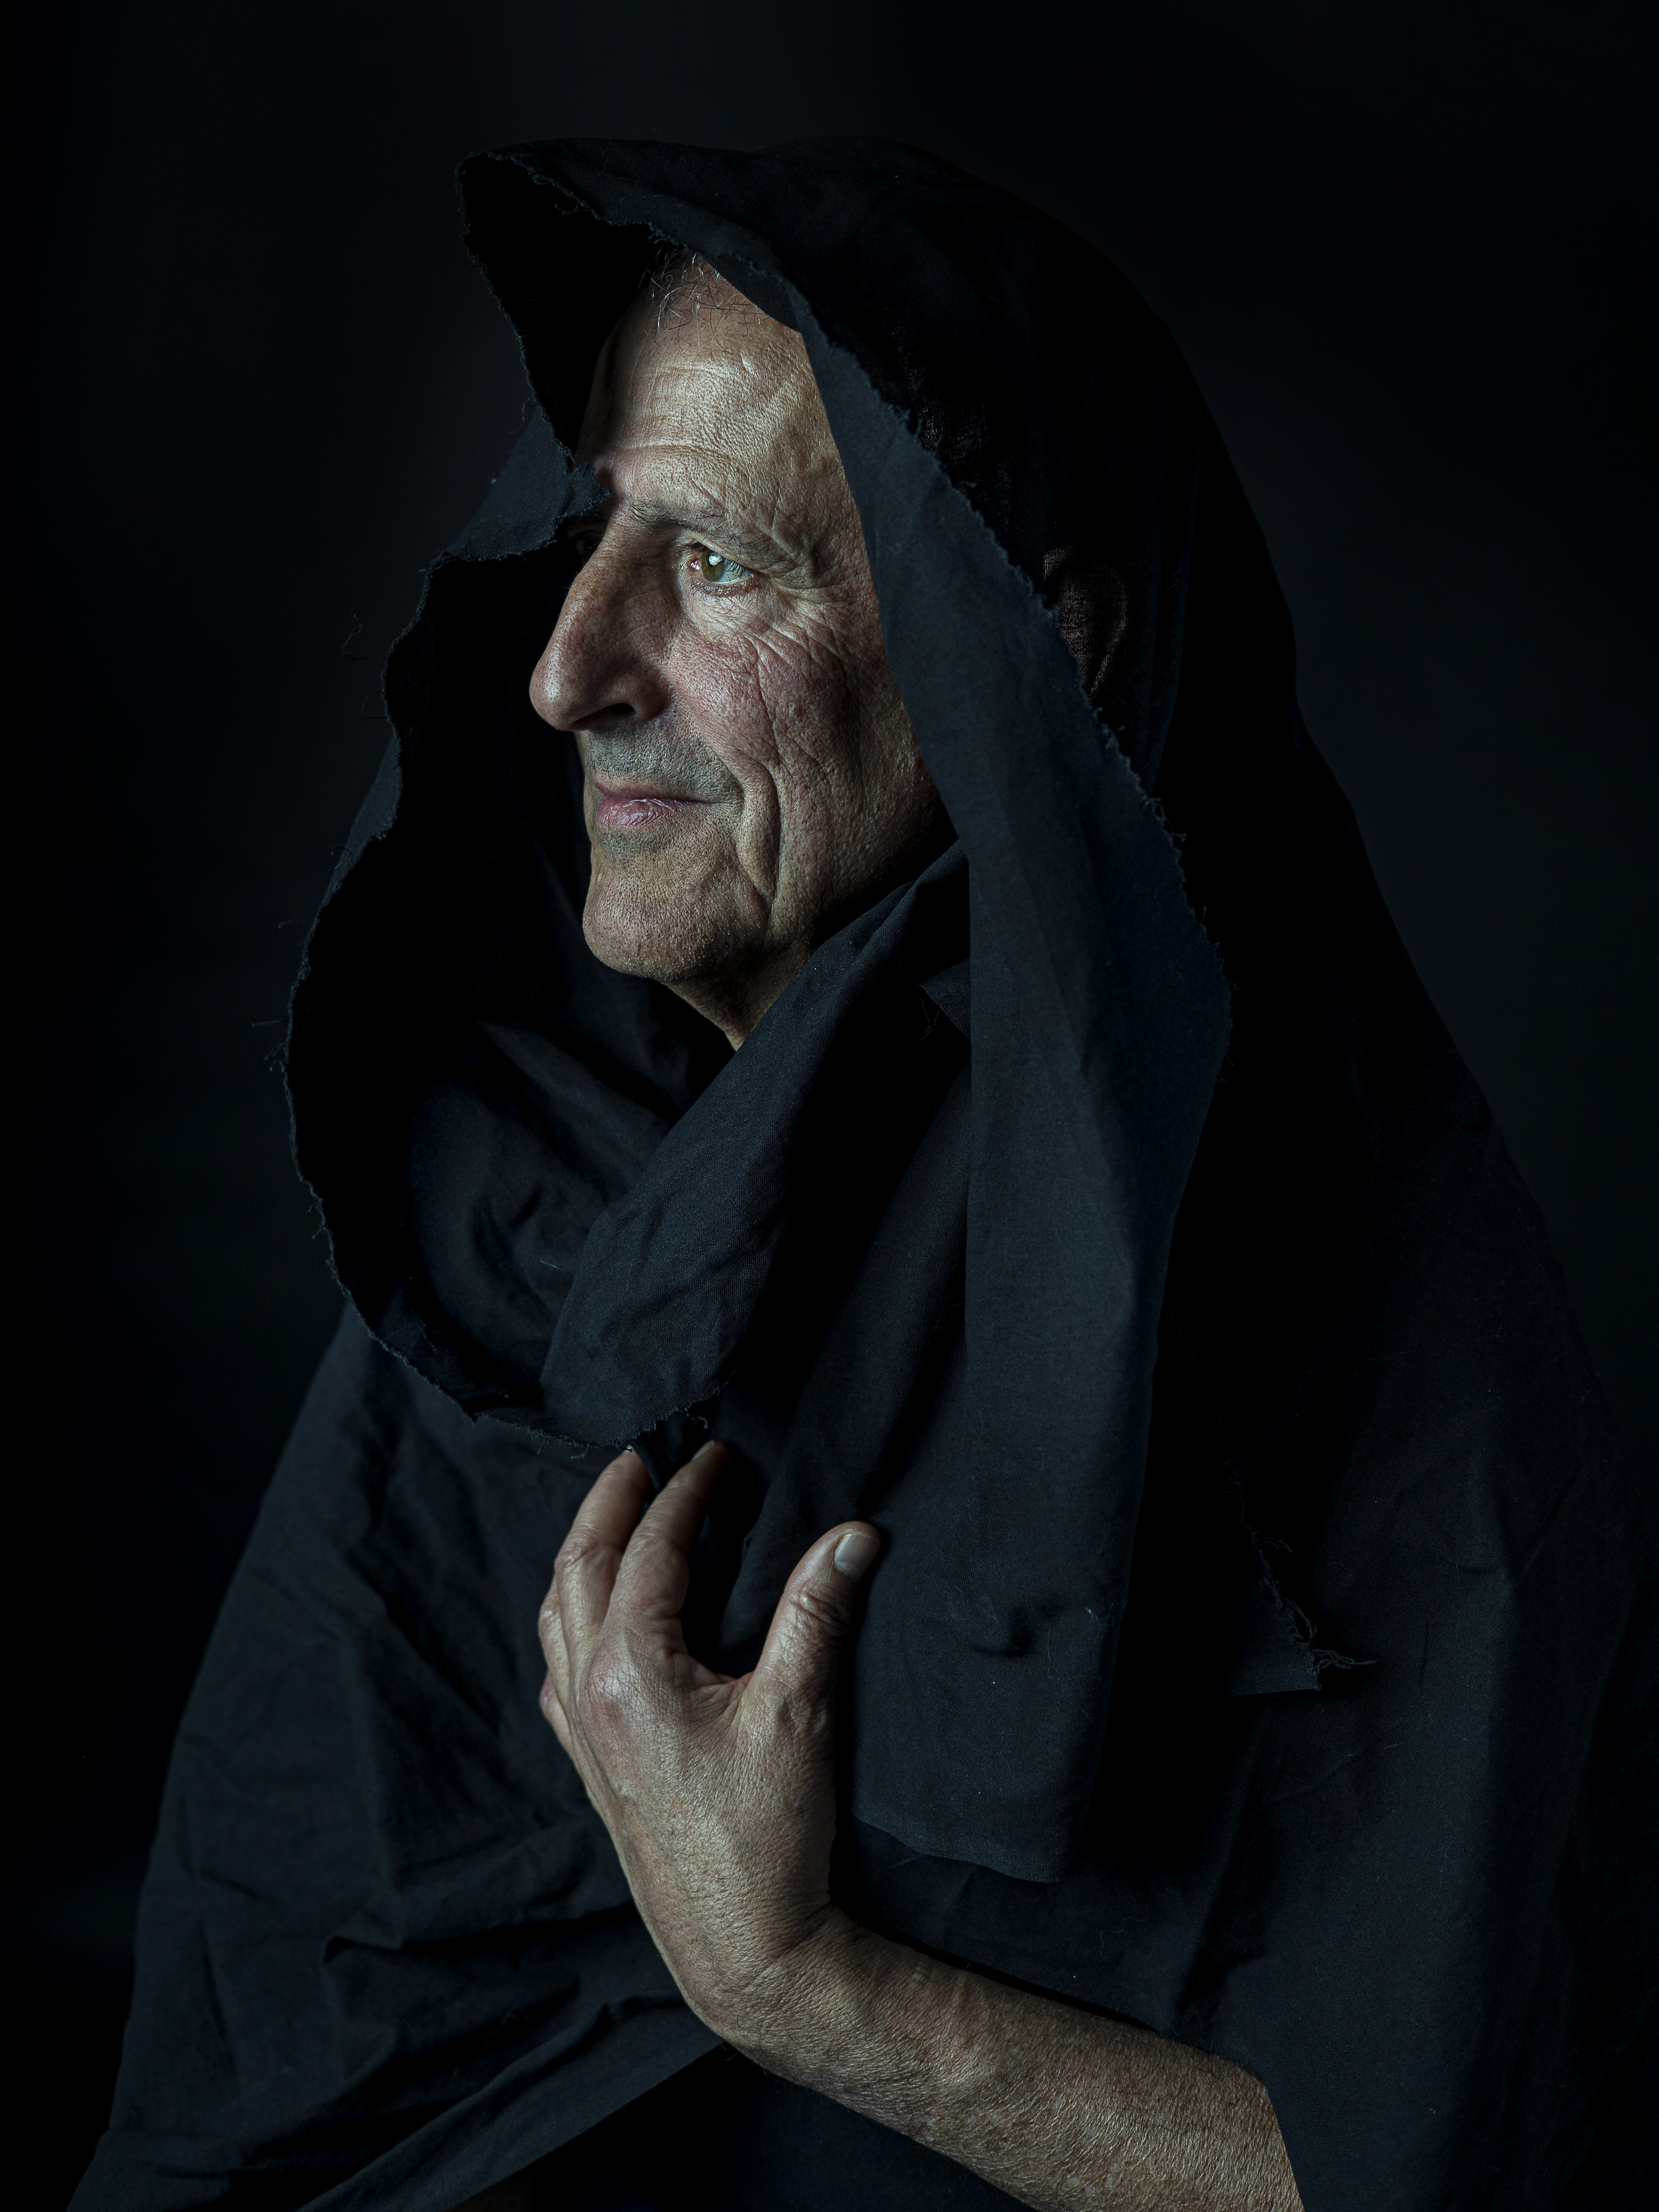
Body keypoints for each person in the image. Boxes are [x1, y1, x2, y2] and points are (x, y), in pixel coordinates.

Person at [73, 139, 1653, 2212]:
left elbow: (1473, 2173)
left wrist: (801, 1987)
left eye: (723, 564)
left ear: (1049, 641)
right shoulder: (525, 1209)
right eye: (590, 527)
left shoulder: (1365, 1343)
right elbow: (286, 2059)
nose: (567, 668)